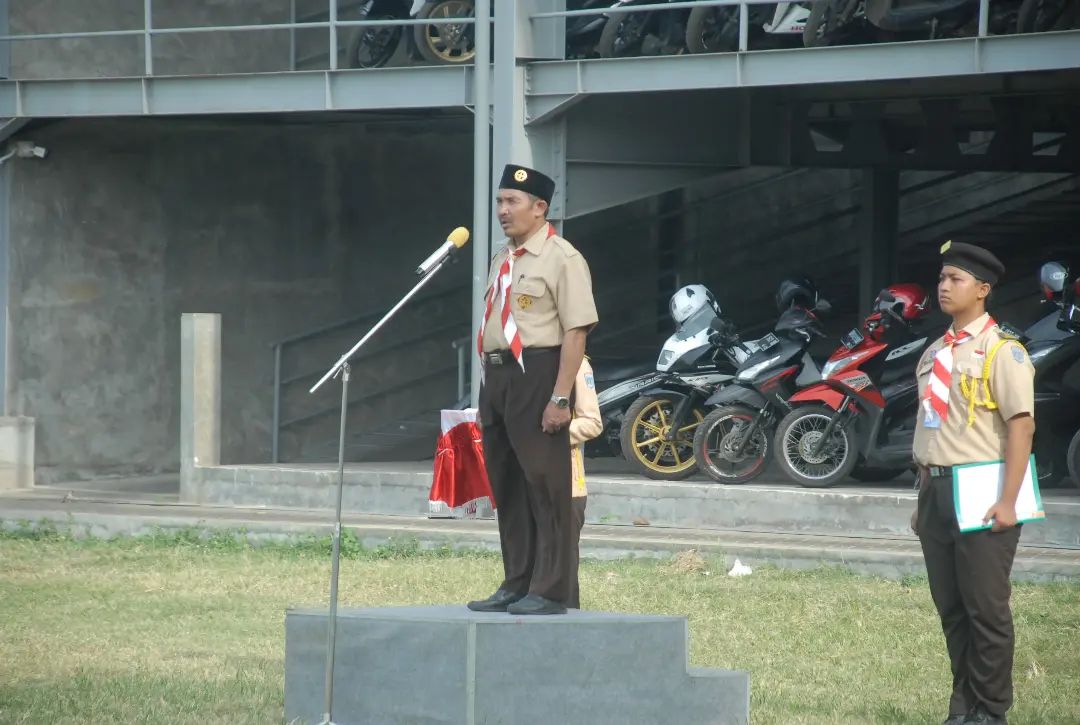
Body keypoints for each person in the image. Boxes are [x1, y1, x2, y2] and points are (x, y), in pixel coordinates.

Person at [911, 241, 1035, 725]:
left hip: (984, 488)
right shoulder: (935, 352)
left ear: (982, 290)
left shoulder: (1004, 352)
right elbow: (930, 427)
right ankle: (962, 706)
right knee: (952, 608)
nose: (943, 286)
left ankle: (991, 710)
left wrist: (1008, 500)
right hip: (937, 488)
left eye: (955, 279)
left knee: (986, 609)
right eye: (941, 278)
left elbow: (1021, 426)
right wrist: (922, 496)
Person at [468, 164, 599, 616]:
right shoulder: (501, 259)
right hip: (500, 376)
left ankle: (552, 588)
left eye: (513, 202)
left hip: (539, 371)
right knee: (507, 484)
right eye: (500, 201)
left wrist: (561, 397)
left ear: (540, 208)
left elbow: (575, 333)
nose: (503, 211)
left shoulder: (562, 258)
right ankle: (517, 581)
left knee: (546, 485)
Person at [568, 356, 603, 609]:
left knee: (562, 568)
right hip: (526, 481)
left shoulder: (577, 364)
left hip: (567, 484)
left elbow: (592, 423)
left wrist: (545, 432)